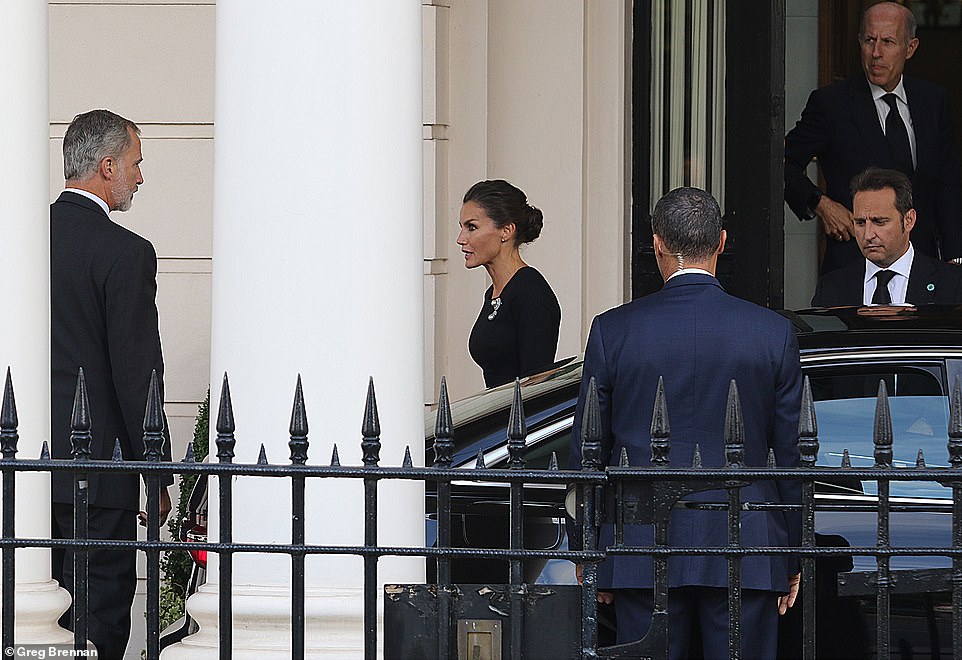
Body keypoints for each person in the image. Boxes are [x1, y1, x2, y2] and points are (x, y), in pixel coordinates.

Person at [570, 187, 802, 659]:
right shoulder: (772, 331)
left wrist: (587, 550)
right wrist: (791, 554)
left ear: (657, 243)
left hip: (639, 542)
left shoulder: (613, 330)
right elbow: (792, 454)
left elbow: (587, 450)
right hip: (748, 540)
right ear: (721, 241)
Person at [50, 109, 173, 658]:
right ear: (107, 166)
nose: (140, 177)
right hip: (100, 478)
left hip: (26, 468)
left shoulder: (22, 241)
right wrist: (157, 471)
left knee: (32, 619)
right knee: (99, 622)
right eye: (135, 163)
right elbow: (137, 373)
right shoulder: (126, 252)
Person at [784, 1, 962, 275]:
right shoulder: (831, 104)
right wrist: (820, 203)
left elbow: (948, 184)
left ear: (910, 48)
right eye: (869, 40)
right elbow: (779, 162)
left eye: (888, 42)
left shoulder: (932, 101)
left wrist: (954, 259)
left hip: (922, 265)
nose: (876, 53)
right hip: (853, 265)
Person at [457, 179, 561, 388]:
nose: (461, 239)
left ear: (506, 231)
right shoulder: (494, 293)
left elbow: (537, 383)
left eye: (472, 227)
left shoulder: (531, 292)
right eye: (462, 227)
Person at [812, 167, 962, 306]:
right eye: (860, 223)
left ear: (909, 220)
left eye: (880, 222)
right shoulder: (831, 289)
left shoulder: (953, 284)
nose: (868, 235)